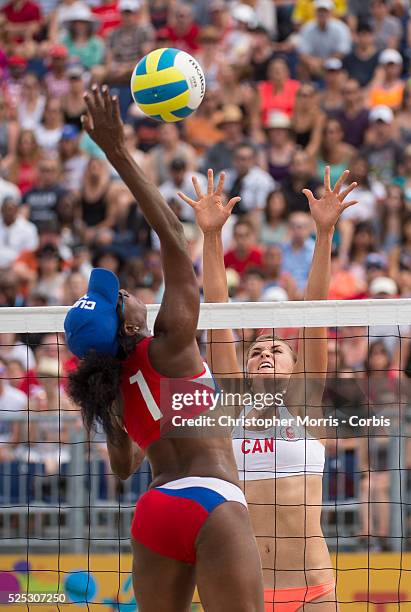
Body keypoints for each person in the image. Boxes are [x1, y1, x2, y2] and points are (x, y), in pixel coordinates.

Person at [64, 85, 264, 612]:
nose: (128, 293)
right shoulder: (170, 345)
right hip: (212, 501)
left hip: (155, 510)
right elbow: (174, 236)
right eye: (122, 299)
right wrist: (116, 151)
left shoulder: (108, 391)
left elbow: (125, 466)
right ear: (127, 327)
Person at [178, 166, 358, 611]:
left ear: (297, 365)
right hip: (239, 589)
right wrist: (212, 237)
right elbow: (217, 311)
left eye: (277, 348)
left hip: (312, 589)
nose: (264, 353)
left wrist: (325, 233)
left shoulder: (305, 405)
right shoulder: (234, 402)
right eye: (257, 348)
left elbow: (315, 312)